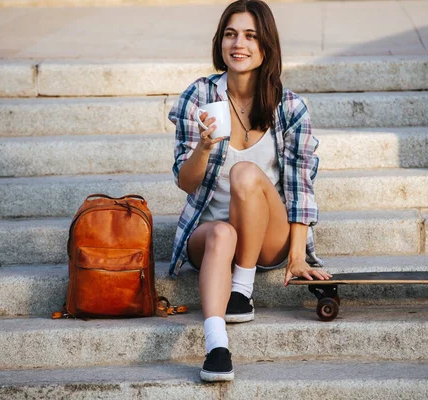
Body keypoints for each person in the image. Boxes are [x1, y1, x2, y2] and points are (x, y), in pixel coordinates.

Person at [167, 0, 331, 382]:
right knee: (223, 232)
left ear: (266, 45)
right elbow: (185, 182)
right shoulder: (199, 97)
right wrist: (204, 148)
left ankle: (242, 287)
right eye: (230, 34)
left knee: (245, 173)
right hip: (209, 235)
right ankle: (216, 346)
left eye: (250, 35)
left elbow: (299, 184)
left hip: (266, 237)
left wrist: (296, 254)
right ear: (220, 42)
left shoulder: (289, 107)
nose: (238, 44)